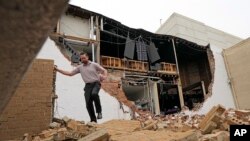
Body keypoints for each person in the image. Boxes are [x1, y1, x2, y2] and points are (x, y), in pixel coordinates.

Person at [54, 52, 108, 123]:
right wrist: (58, 70)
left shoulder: (94, 65)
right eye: (81, 58)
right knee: (88, 104)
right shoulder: (80, 67)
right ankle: (93, 121)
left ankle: (99, 112)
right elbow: (70, 74)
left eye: (84, 58)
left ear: (87, 57)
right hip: (87, 86)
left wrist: (105, 76)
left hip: (96, 83)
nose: (82, 59)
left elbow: (104, 70)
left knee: (94, 94)